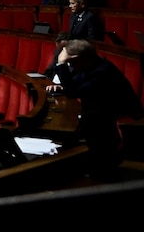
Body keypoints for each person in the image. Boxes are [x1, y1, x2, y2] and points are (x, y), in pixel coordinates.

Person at [47, 40, 144, 175]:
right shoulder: (93, 64)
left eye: (71, 62)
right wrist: (62, 86)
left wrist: (61, 64)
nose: (71, 66)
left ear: (76, 59)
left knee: (86, 121)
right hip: (102, 110)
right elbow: (76, 84)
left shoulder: (102, 72)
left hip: (118, 113)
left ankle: (102, 170)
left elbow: (73, 92)